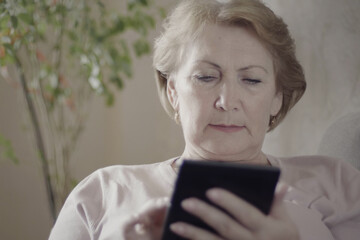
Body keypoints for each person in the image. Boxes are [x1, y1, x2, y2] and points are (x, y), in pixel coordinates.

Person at [49, 0, 360, 239]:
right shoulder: (104, 192)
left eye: (251, 80)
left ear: (277, 96)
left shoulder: (336, 183)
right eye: (206, 77)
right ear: (173, 91)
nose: (226, 102)